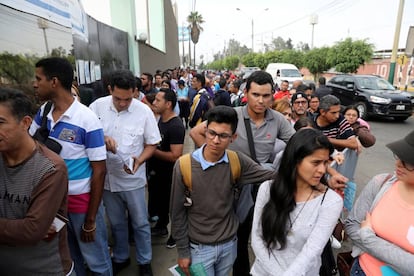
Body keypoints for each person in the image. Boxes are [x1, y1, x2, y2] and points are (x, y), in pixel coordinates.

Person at [190, 71, 296, 275]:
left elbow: (299, 145)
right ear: (246, 92)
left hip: (262, 187)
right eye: (256, 94)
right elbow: (196, 132)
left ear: (272, 95)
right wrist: (216, 158)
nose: (261, 100)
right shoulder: (232, 115)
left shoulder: (278, 120)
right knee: (237, 234)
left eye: (266, 96)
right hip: (232, 187)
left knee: (267, 235)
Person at [170, 106, 276, 276]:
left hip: (229, 246)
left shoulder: (237, 161)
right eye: (212, 133)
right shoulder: (183, 166)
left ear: (233, 137)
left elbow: (272, 175)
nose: (216, 140)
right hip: (199, 250)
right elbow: (177, 213)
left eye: (223, 136)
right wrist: (183, 252)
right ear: (205, 131)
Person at [29, 57, 111, 275]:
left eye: (39, 78)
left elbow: (99, 170)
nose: (34, 84)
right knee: (70, 260)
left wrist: (91, 220)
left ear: (54, 81)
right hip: (54, 203)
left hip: (81, 205)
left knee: (97, 262)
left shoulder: (87, 119)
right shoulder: (43, 112)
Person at [89, 69, 161, 276]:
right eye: (118, 98)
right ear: (110, 89)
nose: (122, 103)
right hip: (107, 180)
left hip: (132, 179)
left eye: (127, 99)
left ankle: (145, 260)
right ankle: (121, 256)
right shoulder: (96, 107)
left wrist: (141, 159)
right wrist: (102, 138)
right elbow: (86, 134)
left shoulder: (144, 111)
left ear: (135, 92)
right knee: (117, 223)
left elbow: (152, 143)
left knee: (140, 223)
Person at [0, 88, 73, 275]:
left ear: (25, 123)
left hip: (43, 269)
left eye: (1, 123)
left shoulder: (50, 168)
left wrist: (31, 227)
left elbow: (32, 230)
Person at [251, 128, 343, 275]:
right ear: (295, 160)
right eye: (316, 162)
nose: (322, 170)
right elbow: (257, 238)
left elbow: (312, 251)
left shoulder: (331, 202)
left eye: (326, 162)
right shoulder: (267, 189)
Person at [345, 130, 414, 276]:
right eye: (398, 157)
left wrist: (369, 237)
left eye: (408, 161)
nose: (398, 164)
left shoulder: (367, 236)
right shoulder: (381, 183)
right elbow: (352, 225)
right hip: (362, 271)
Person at [148, 88, 185, 249]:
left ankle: (175, 235)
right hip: (156, 173)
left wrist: (151, 150)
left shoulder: (175, 125)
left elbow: (175, 155)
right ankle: (161, 226)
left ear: (168, 104)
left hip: (169, 175)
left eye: (158, 100)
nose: (154, 103)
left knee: (173, 206)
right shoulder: (159, 120)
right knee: (160, 203)